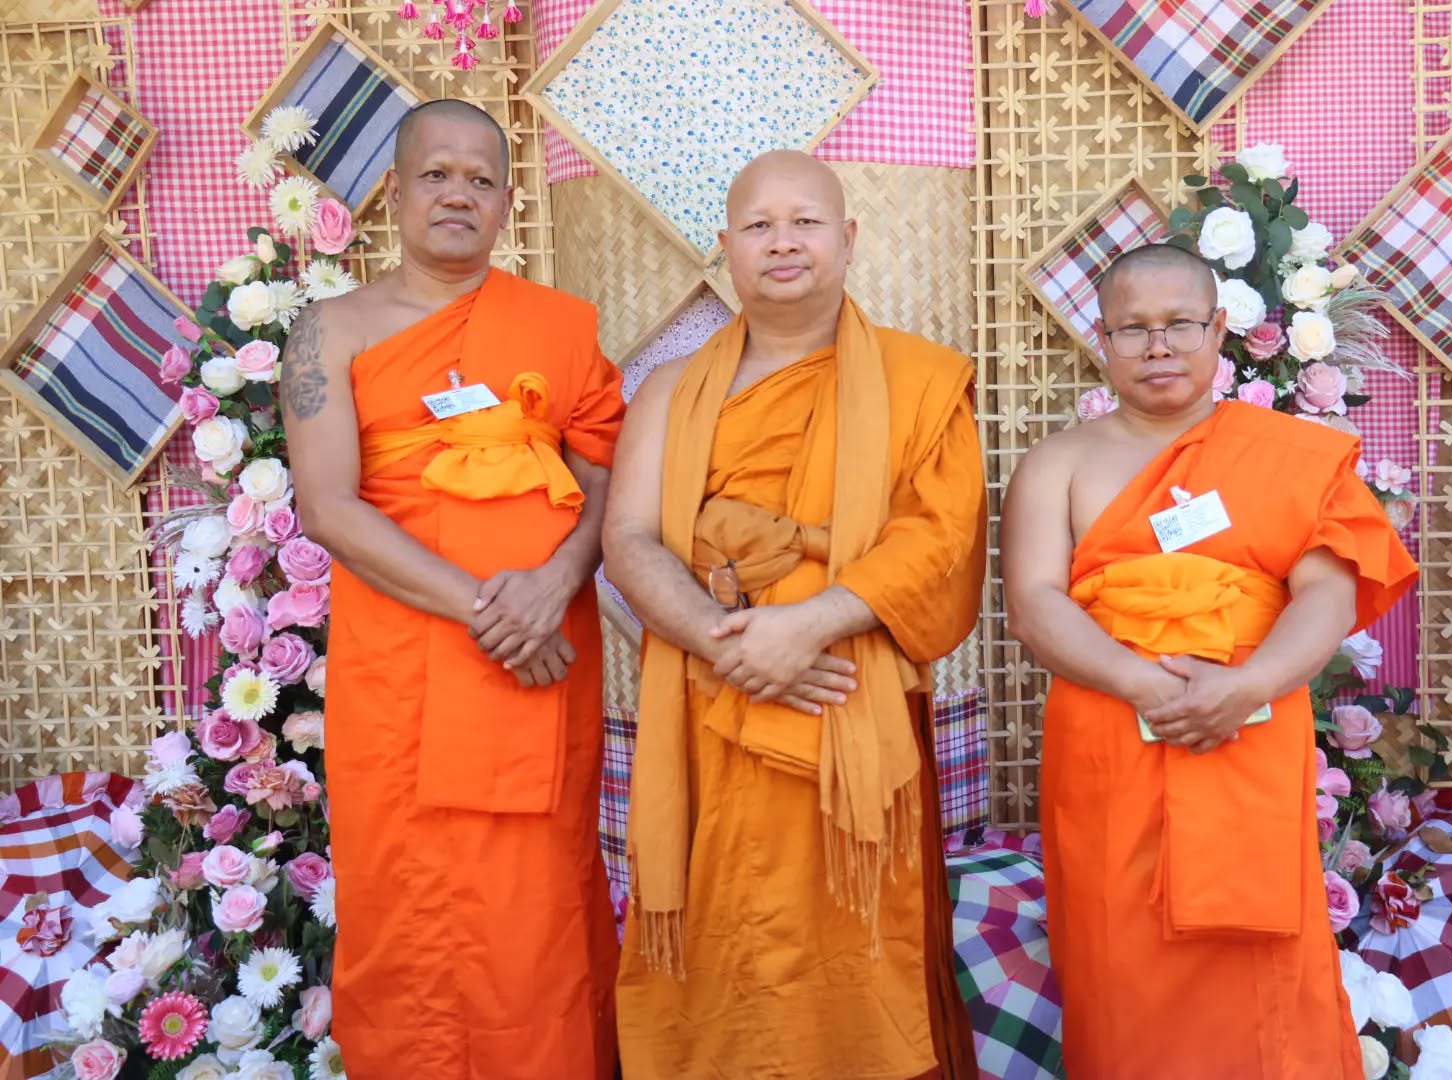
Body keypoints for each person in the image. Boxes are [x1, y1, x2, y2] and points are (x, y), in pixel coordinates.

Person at [603, 150, 984, 1080]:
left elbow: (939, 540)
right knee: (721, 931)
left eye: (806, 222)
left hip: (845, 694)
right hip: (709, 704)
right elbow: (630, 538)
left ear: (847, 239)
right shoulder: (668, 391)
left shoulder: (919, 378)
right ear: (725, 247)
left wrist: (806, 627)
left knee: (858, 943)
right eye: (759, 226)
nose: (783, 242)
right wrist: (732, 646)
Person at [1001, 243, 1418, 1078]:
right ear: (1103, 339)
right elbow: (1034, 602)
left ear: (1219, 330)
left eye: (1181, 325)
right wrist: (1142, 684)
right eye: (1134, 329)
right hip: (1110, 734)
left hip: (1248, 727)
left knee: (1259, 979)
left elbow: (1327, 597)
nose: (1158, 347)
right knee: (1119, 962)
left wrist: (1247, 684)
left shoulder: (1288, 454)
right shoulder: (1059, 463)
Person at [283, 99, 623, 1079]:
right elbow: (329, 507)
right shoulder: (330, 330)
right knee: (410, 896)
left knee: (537, 900)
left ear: (508, 203)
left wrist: (556, 580)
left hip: (541, 658)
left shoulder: (558, 327)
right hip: (407, 668)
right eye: (437, 174)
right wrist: (493, 609)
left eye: (481, 179)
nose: (458, 195)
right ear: (395, 191)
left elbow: (607, 473)